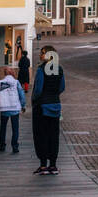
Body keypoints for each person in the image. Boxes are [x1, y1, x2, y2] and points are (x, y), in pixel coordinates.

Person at [31, 44, 65, 176]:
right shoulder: (59, 69)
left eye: (42, 53)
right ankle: (53, 165)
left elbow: (38, 89)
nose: (40, 55)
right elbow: (62, 87)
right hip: (55, 106)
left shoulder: (41, 70)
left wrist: (34, 100)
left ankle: (43, 164)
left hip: (42, 107)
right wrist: (54, 95)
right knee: (53, 135)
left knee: (41, 135)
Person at [0, 65, 26, 153]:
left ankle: (2, 145)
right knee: (15, 128)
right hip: (14, 108)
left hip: (4, 108)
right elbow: (21, 95)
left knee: (3, 128)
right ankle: (15, 146)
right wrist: (23, 105)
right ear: (12, 73)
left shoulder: (0, 83)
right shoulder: (16, 82)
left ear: (4, 73)